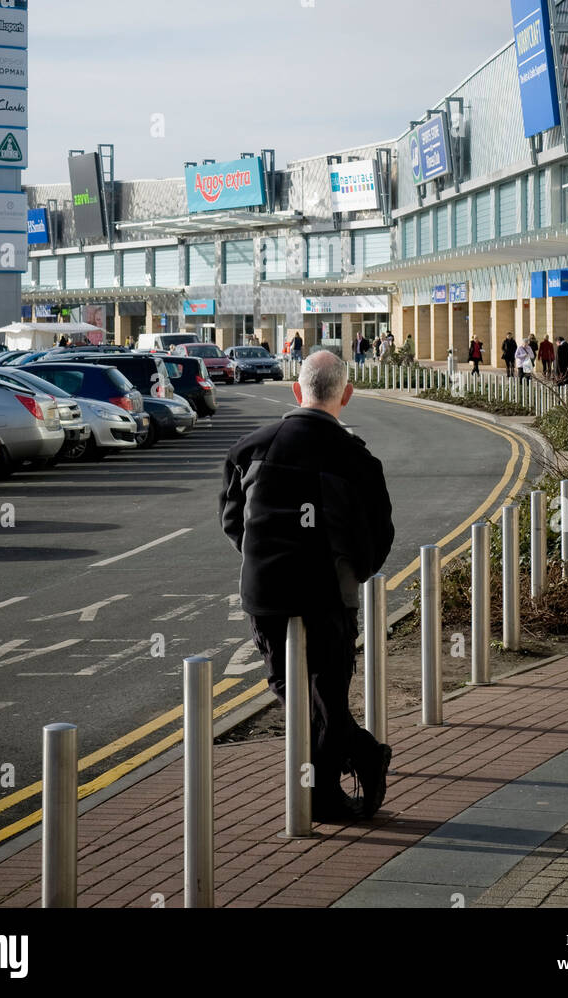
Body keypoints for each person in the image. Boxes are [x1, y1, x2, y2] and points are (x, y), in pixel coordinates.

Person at [219, 350, 395, 823]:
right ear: (347, 395)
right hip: (328, 596)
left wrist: (264, 557)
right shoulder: (359, 461)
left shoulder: (249, 447)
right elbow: (377, 542)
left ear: (296, 391)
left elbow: (233, 522)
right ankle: (356, 760)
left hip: (266, 592)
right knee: (327, 689)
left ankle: (327, 794)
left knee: (289, 687)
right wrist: (348, 569)